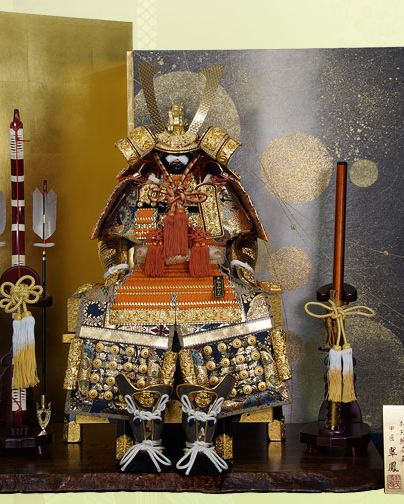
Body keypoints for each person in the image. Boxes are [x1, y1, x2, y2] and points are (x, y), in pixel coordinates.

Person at [63, 63, 291, 474]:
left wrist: (240, 265)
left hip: (209, 278)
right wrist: (116, 269)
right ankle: (135, 422)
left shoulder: (217, 185)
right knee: (99, 306)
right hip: (144, 277)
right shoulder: (138, 187)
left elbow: (243, 236)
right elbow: (113, 238)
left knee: (246, 305)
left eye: (185, 159)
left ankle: (217, 419)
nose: (177, 167)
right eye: (169, 160)